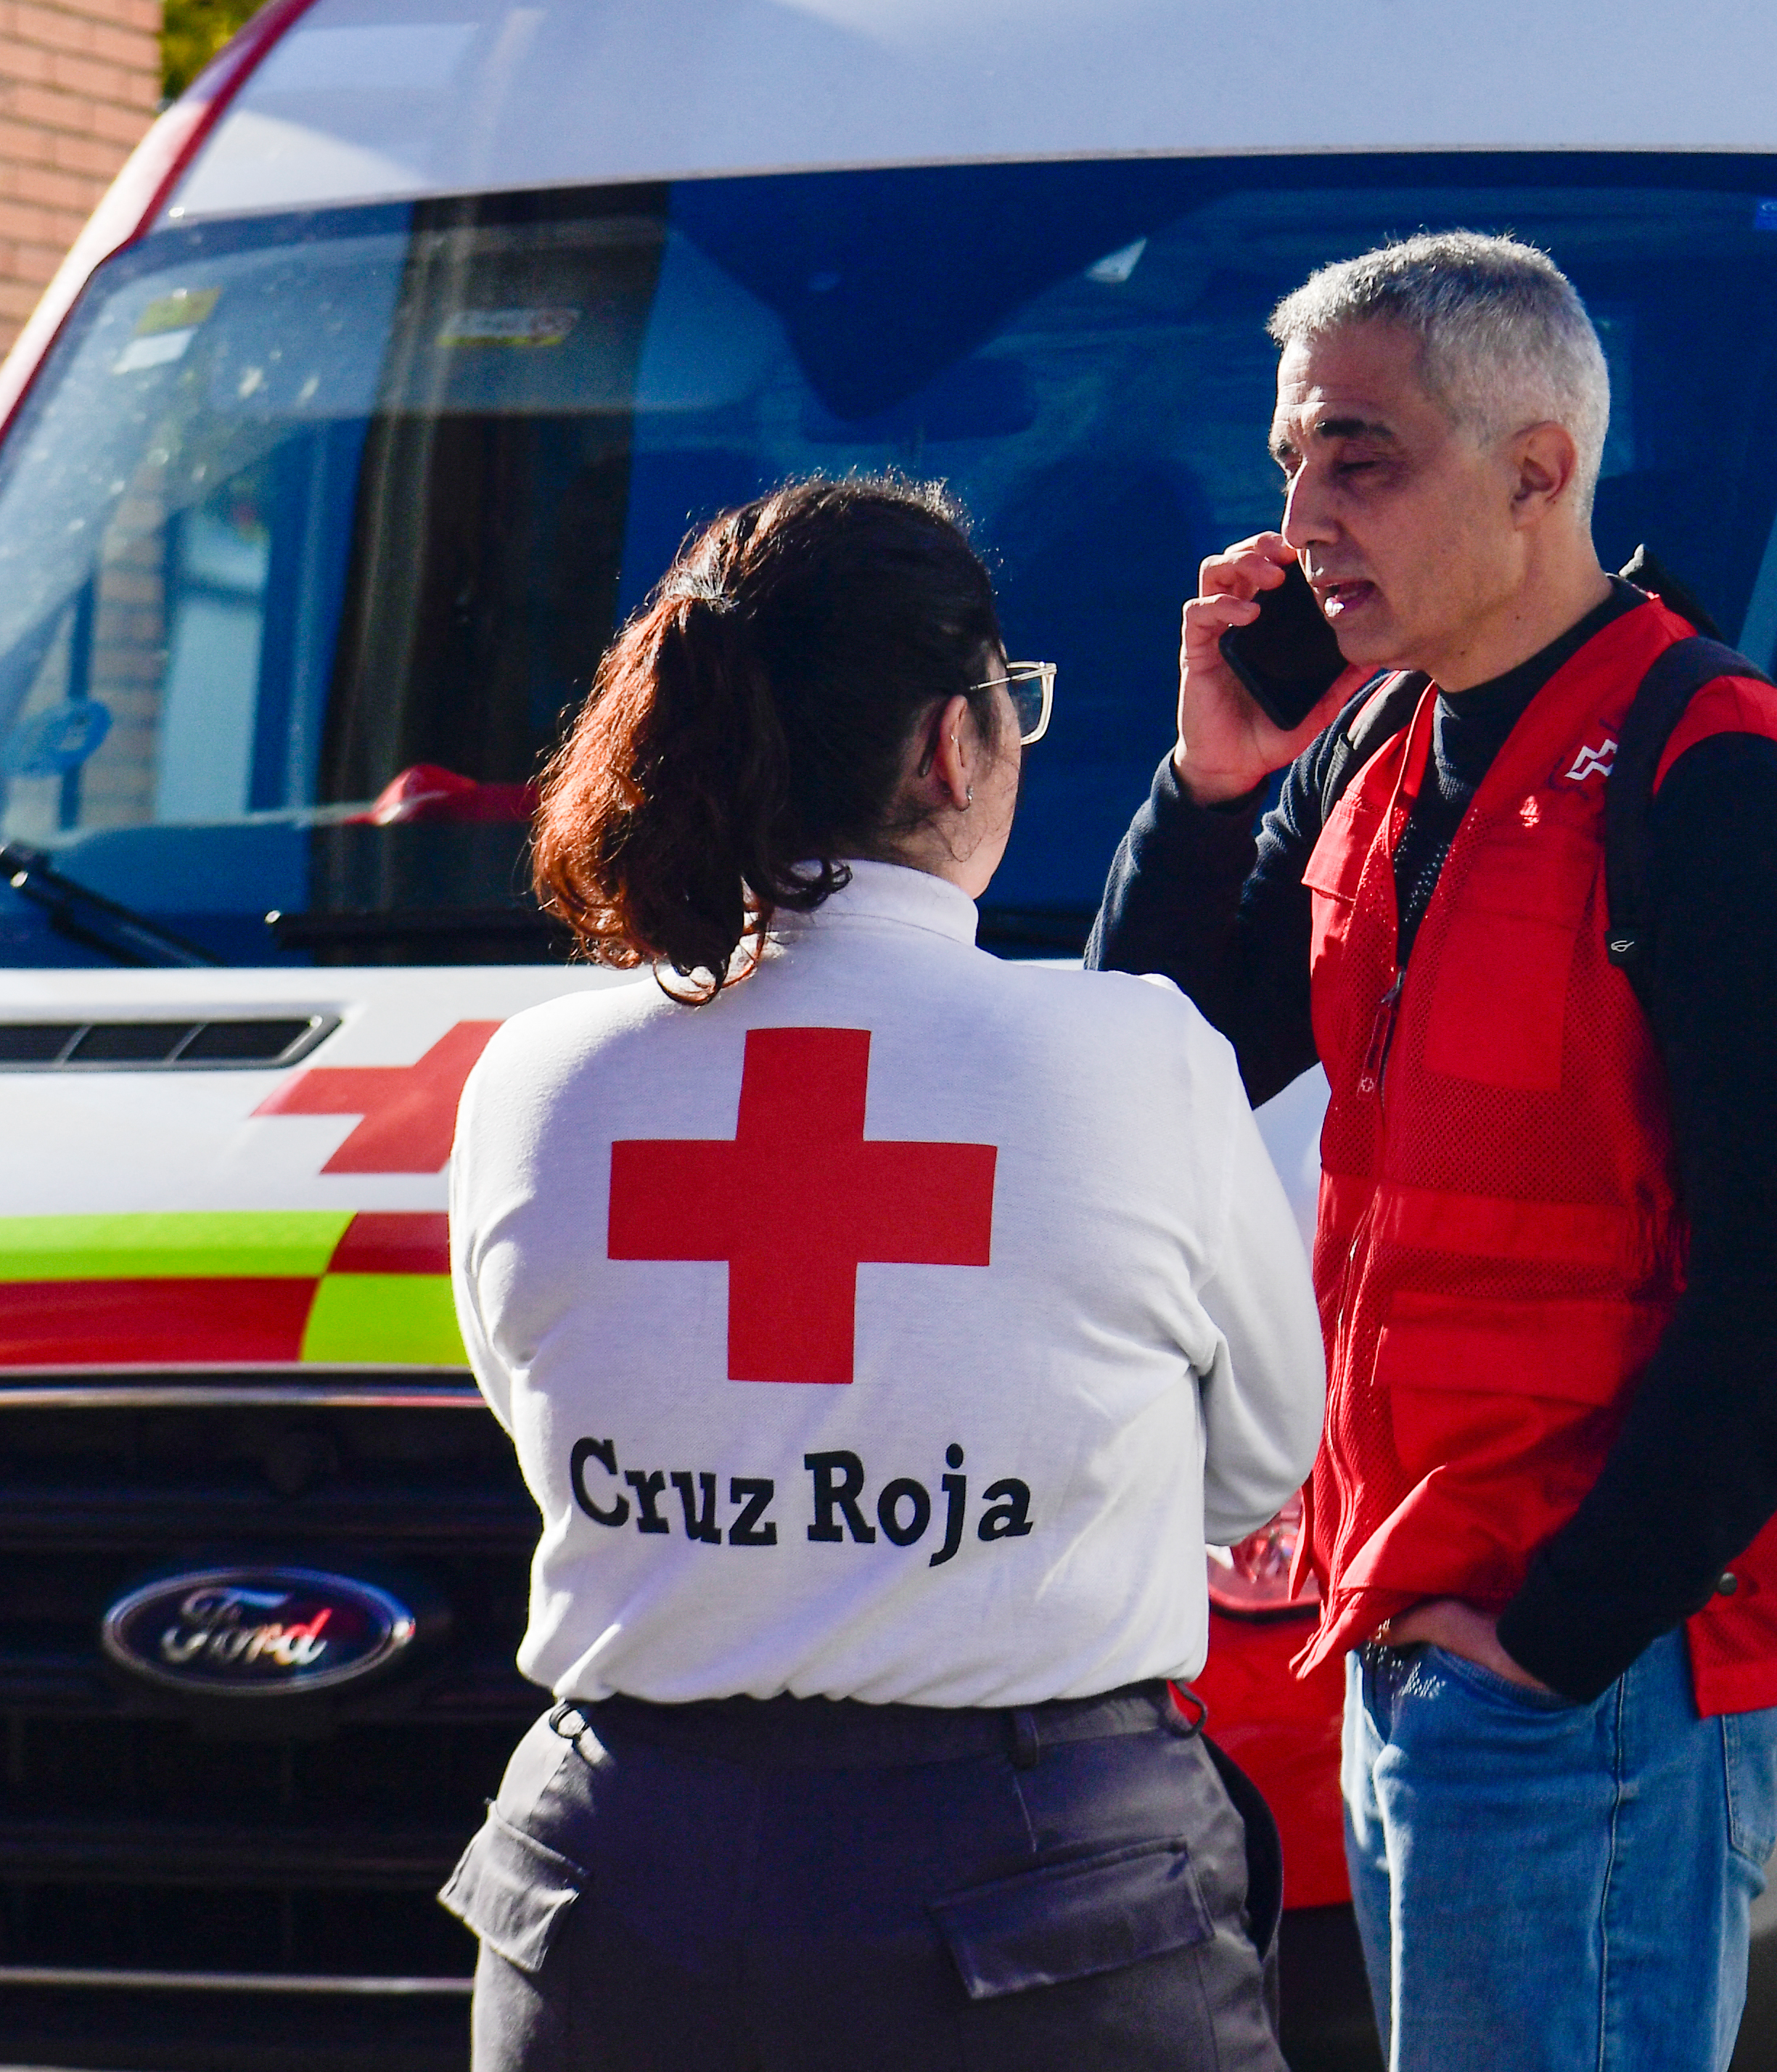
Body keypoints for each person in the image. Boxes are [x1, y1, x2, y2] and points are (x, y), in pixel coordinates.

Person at [1090, 235, 1777, 2070]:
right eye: (1290, 463)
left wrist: (1561, 1635)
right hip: (1417, 1645)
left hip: (1598, 1680)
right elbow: (1152, 1069)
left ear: (1540, 473)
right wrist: (1208, 785)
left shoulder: (1721, 778)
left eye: (1360, 460)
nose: (1302, 519)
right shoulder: (1368, 757)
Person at [443, 474, 1321, 2072]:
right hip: (1043, 1905)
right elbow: (1260, 1461)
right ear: (949, 743)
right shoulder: (1134, 1056)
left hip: (617, 1892)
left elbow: (542, 1410)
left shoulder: (534, 1074)